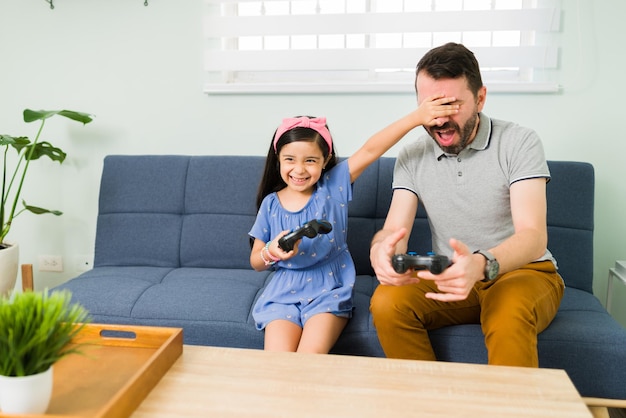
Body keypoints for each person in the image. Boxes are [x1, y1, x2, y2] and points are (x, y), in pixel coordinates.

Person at [368, 42, 565, 367]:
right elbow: (393, 231)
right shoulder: (412, 155)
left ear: (480, 98)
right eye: (431, 106)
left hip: (521, 272)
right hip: (450, 275)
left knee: (508, 315)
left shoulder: (520, 141)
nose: (441, 119)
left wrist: (480, 263)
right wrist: (382, 251)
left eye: (452, 105)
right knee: (388, 302)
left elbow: (533, 236)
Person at [249, 99, 460, 354]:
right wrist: (272, 251)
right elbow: (256, 261)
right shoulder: (271, 204)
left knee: (307, 358)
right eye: (290, 159)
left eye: (310, 161)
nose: (299, 169)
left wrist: (417, 117)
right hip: (282, 293)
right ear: (278, 159)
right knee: (277, 361)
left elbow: (371, 149)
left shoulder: (333, 186)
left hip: (328, 289)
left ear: (326, 160)